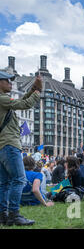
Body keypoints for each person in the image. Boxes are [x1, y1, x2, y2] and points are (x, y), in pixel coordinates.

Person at [0, 72, 42, 226]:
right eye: (7, 81)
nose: (11, 83)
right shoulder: (2, 98)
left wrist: (32, 90)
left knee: (4, 183)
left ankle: (3, 215)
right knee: (19, 179)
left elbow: (20, 101)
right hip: (10, 145)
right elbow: (25, 104)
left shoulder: (3, 100)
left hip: (2, 146)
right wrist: (37, 93)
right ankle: (14, 214)